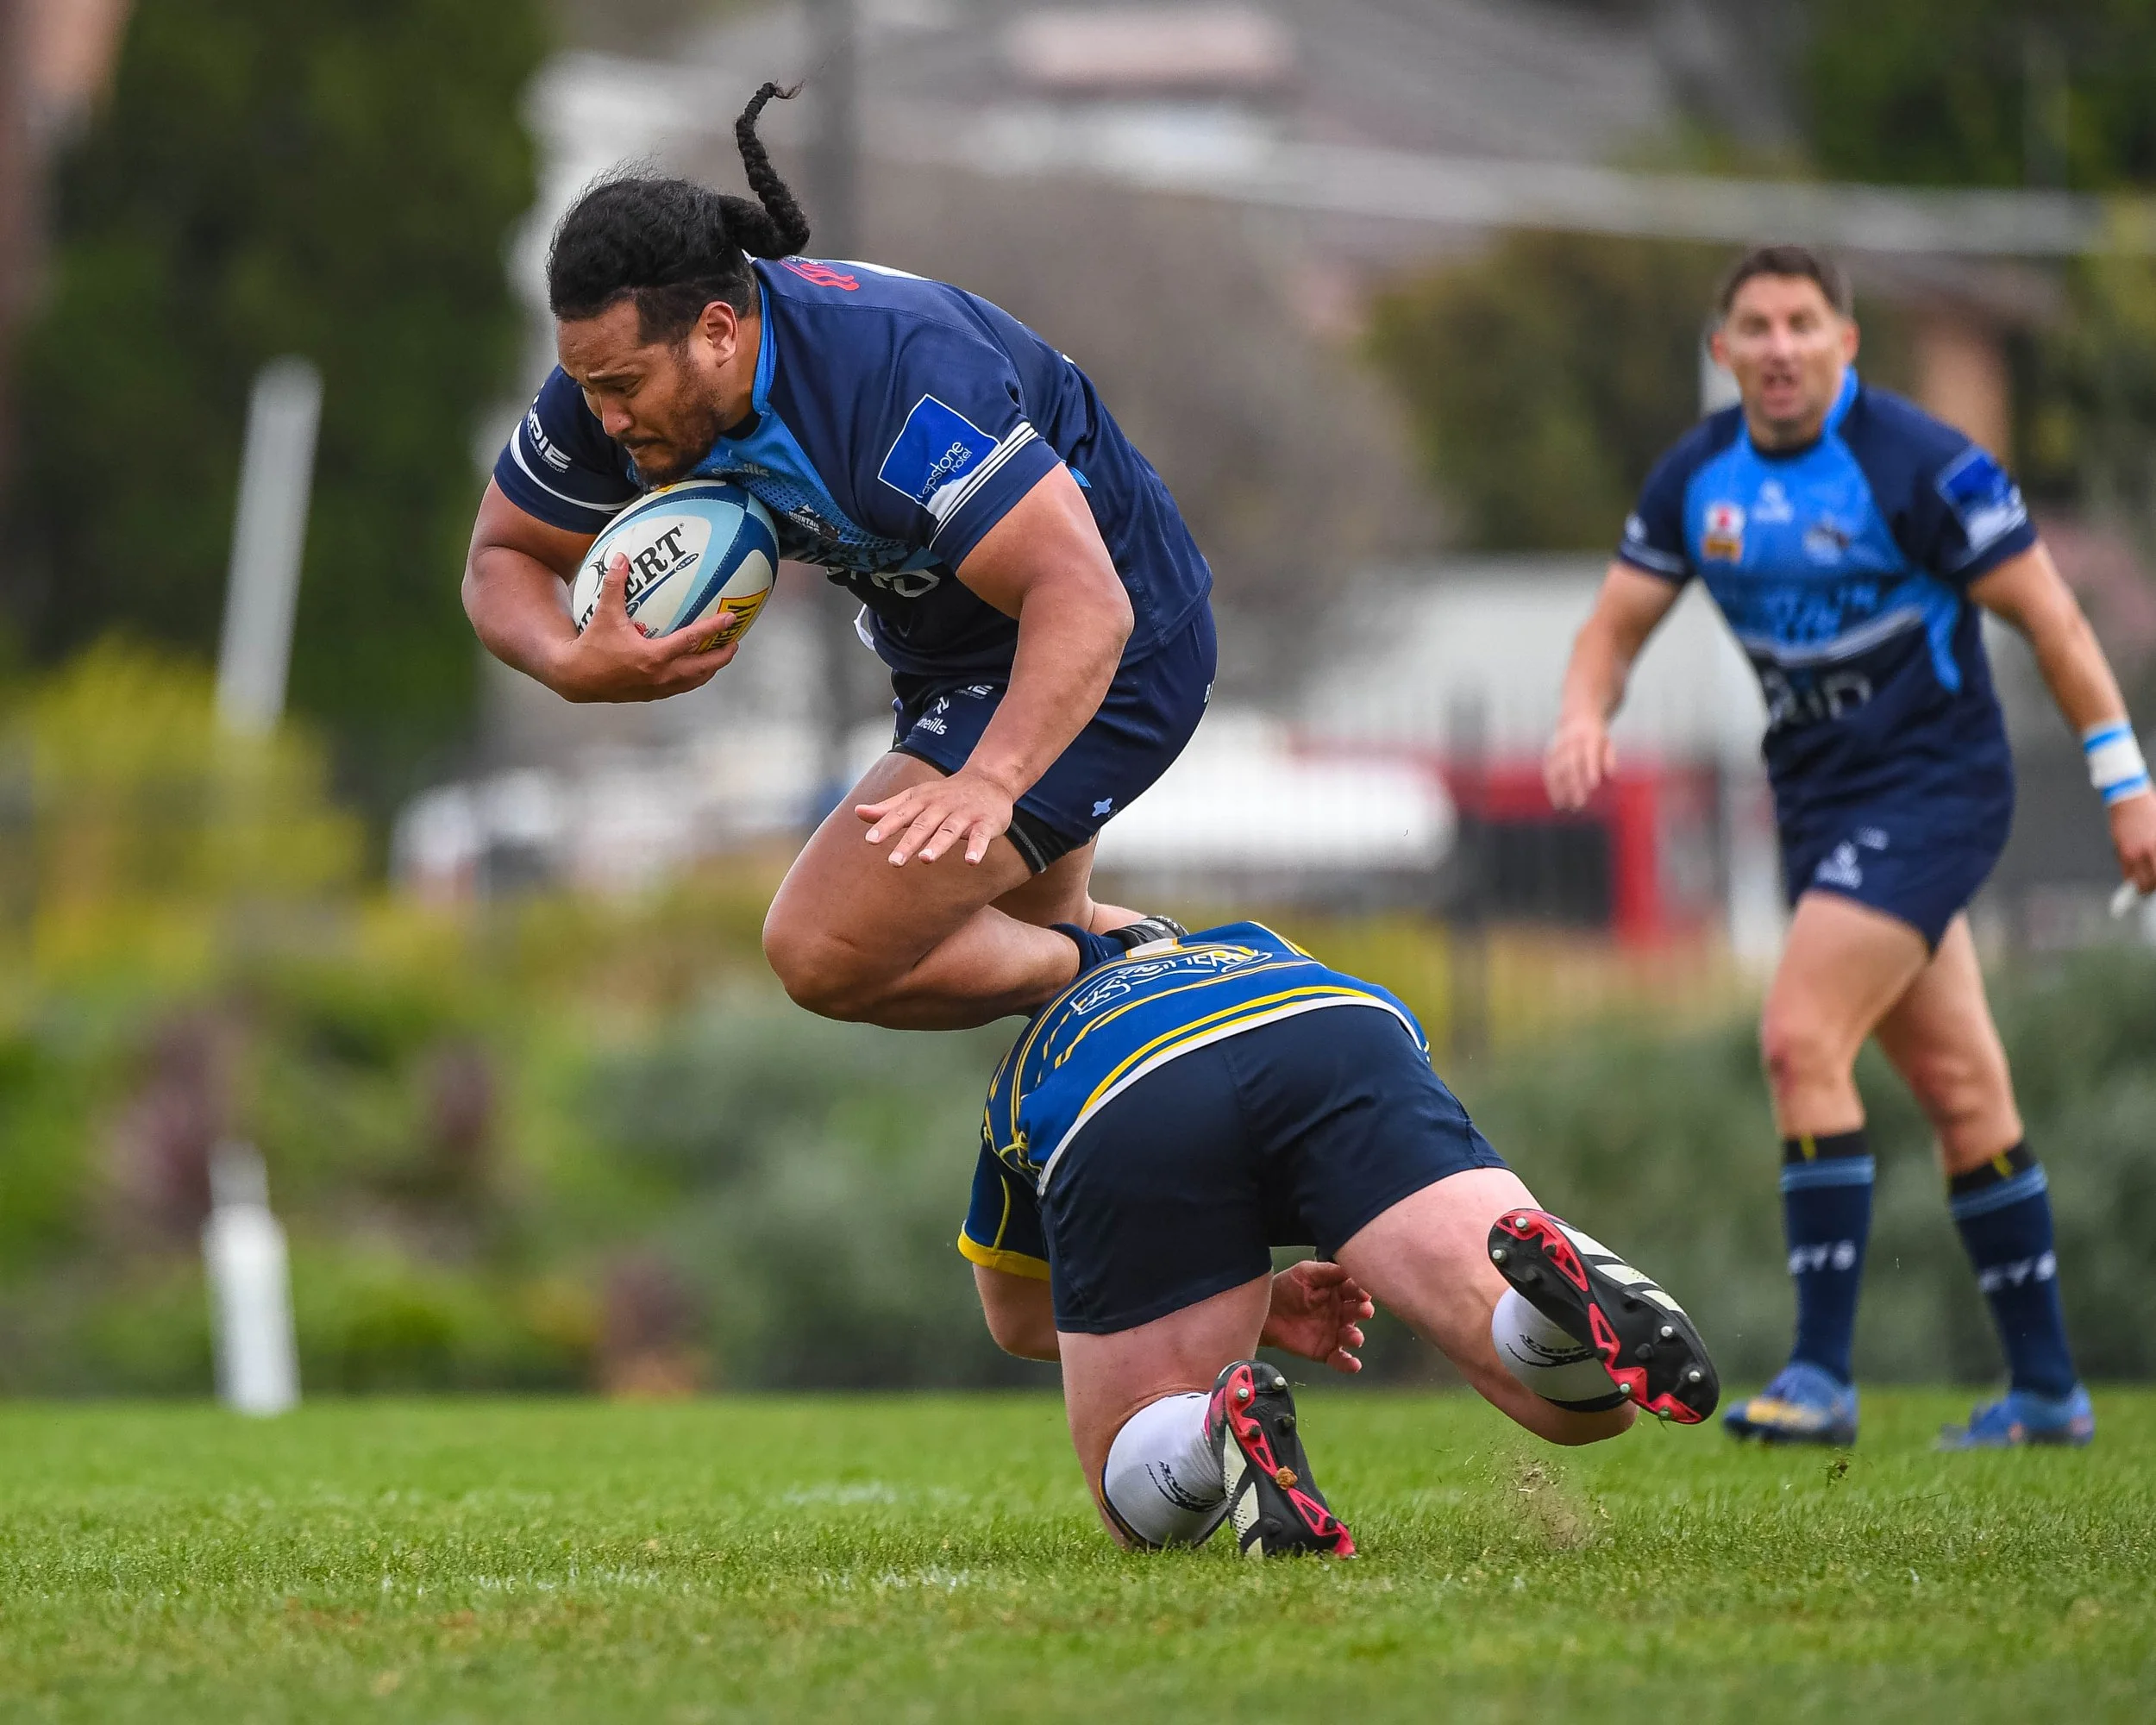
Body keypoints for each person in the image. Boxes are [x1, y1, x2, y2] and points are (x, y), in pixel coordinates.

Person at [1545, 243, 2156, 1450]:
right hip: (1819, 801)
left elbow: (2054, 622)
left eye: (1803, 323)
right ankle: (2047, 1393)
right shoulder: (1696, 481)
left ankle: (1820, 1375)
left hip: (1937, 790)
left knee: (1797, 1038)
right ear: (1724, 353)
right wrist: (1582, 711)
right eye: (1756, 327)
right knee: (1964, 1090)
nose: (1780, 347)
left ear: (1846, 341)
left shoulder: (1921, 467)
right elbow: (1612, 628)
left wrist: (2126, 785)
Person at [463, 85, 1213, 1029]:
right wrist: (570, 661)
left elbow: (1081, 597)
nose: (606, 419)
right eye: (586, 385)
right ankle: (1157, 965)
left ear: (717, 332)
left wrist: (990, 776)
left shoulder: (896, 382)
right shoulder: (611, 382)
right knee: (1024, 939)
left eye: (622, 386)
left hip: (1110, 643)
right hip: (953, 655)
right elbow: (503, 554)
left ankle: (1120, 967)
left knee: (825, 950)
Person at [958, 919, 1719, 1555]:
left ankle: (1213, 1424)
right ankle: (1545, 1313)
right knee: (1582, 1410)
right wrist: (1265, 1305)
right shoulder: (1250, 940)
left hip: (1127, 1086)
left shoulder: (1028, 1064)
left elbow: (1018, 1316)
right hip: (1334, 1025)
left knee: (1141, 1508)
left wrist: (1234, 1312)